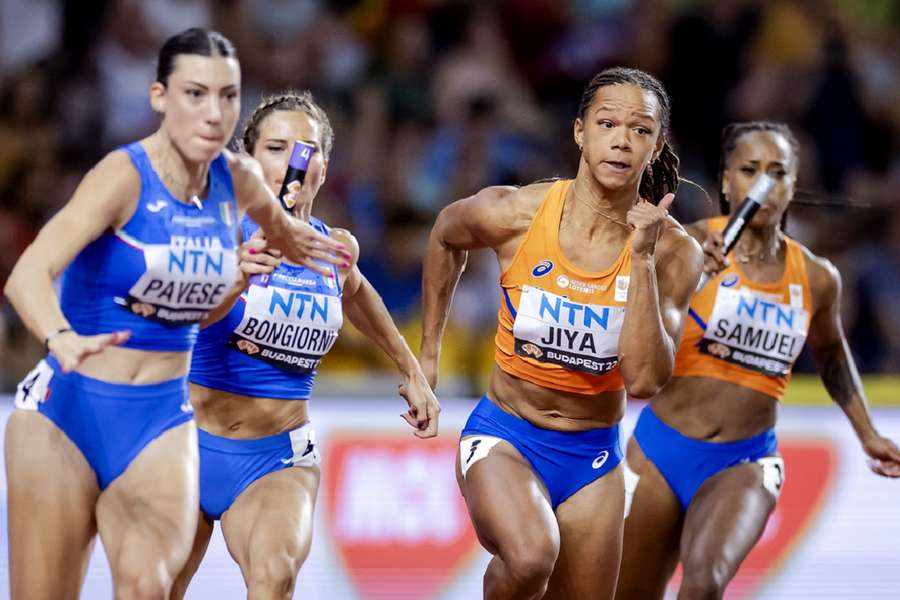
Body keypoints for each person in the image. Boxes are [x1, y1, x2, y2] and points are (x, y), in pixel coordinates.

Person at [3, 28, 349, 600]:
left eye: (227, 96)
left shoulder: (238, 182)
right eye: (195, 94)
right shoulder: (123, 175)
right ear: (159, 97)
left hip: (160, 422)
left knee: (149, 588)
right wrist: (59, 336)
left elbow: (297, 239)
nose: (213, 112)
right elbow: (27, 275)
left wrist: (315, 261)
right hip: (68, 411)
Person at [420, 67, 703, 600]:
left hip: (593, 457)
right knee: (530, 557)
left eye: (640, 130)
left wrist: (639, 260)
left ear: (656, 145)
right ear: (580, 132)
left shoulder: (672, 252)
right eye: (607, 123)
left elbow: (644, 380)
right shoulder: (517, 214)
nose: (621, 139)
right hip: (506, 435)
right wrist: (427, 356)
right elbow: (444, 234)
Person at [170, 91, 440, 599]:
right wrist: (236, 276)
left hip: (278, 458)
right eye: (276, 147)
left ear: (322, 165)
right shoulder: (216, 231)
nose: (293, 159)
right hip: (184, 446)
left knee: (274, 579)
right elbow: (177, 324)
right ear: (249, 162)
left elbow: (357, 292)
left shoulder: (334, 248)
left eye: (306, 148)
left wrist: (411, 369)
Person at [615, 121, 900, 600]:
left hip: (744, 460)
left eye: (778, 171)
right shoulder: (684, 245)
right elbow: (638, 334)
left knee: (704, 584)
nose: (764, 183)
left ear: (793, 183)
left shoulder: (817, 277)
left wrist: (868, 433)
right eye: (750, 170)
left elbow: (831, 353)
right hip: (660, 448)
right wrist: (690, 282)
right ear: (727, 180)